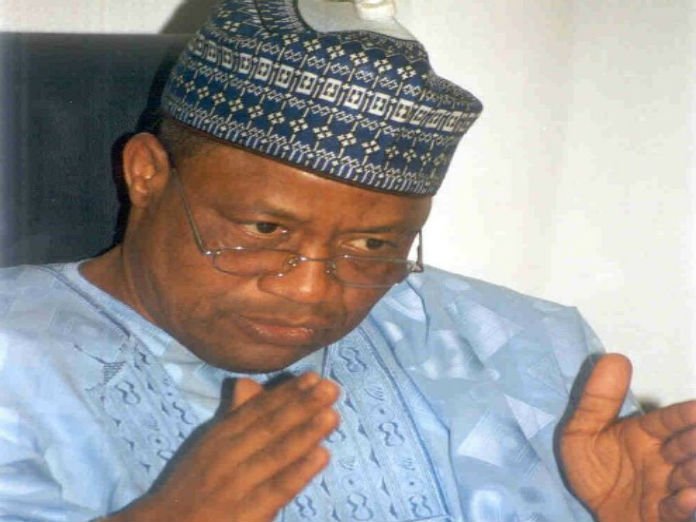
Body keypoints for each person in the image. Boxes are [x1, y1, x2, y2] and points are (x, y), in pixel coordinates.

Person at [0, 1, 694, 521]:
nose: (310, 291)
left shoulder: (525, 351)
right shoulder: (15, 365)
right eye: (264, 229)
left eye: (373, 247)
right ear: (147, 173)